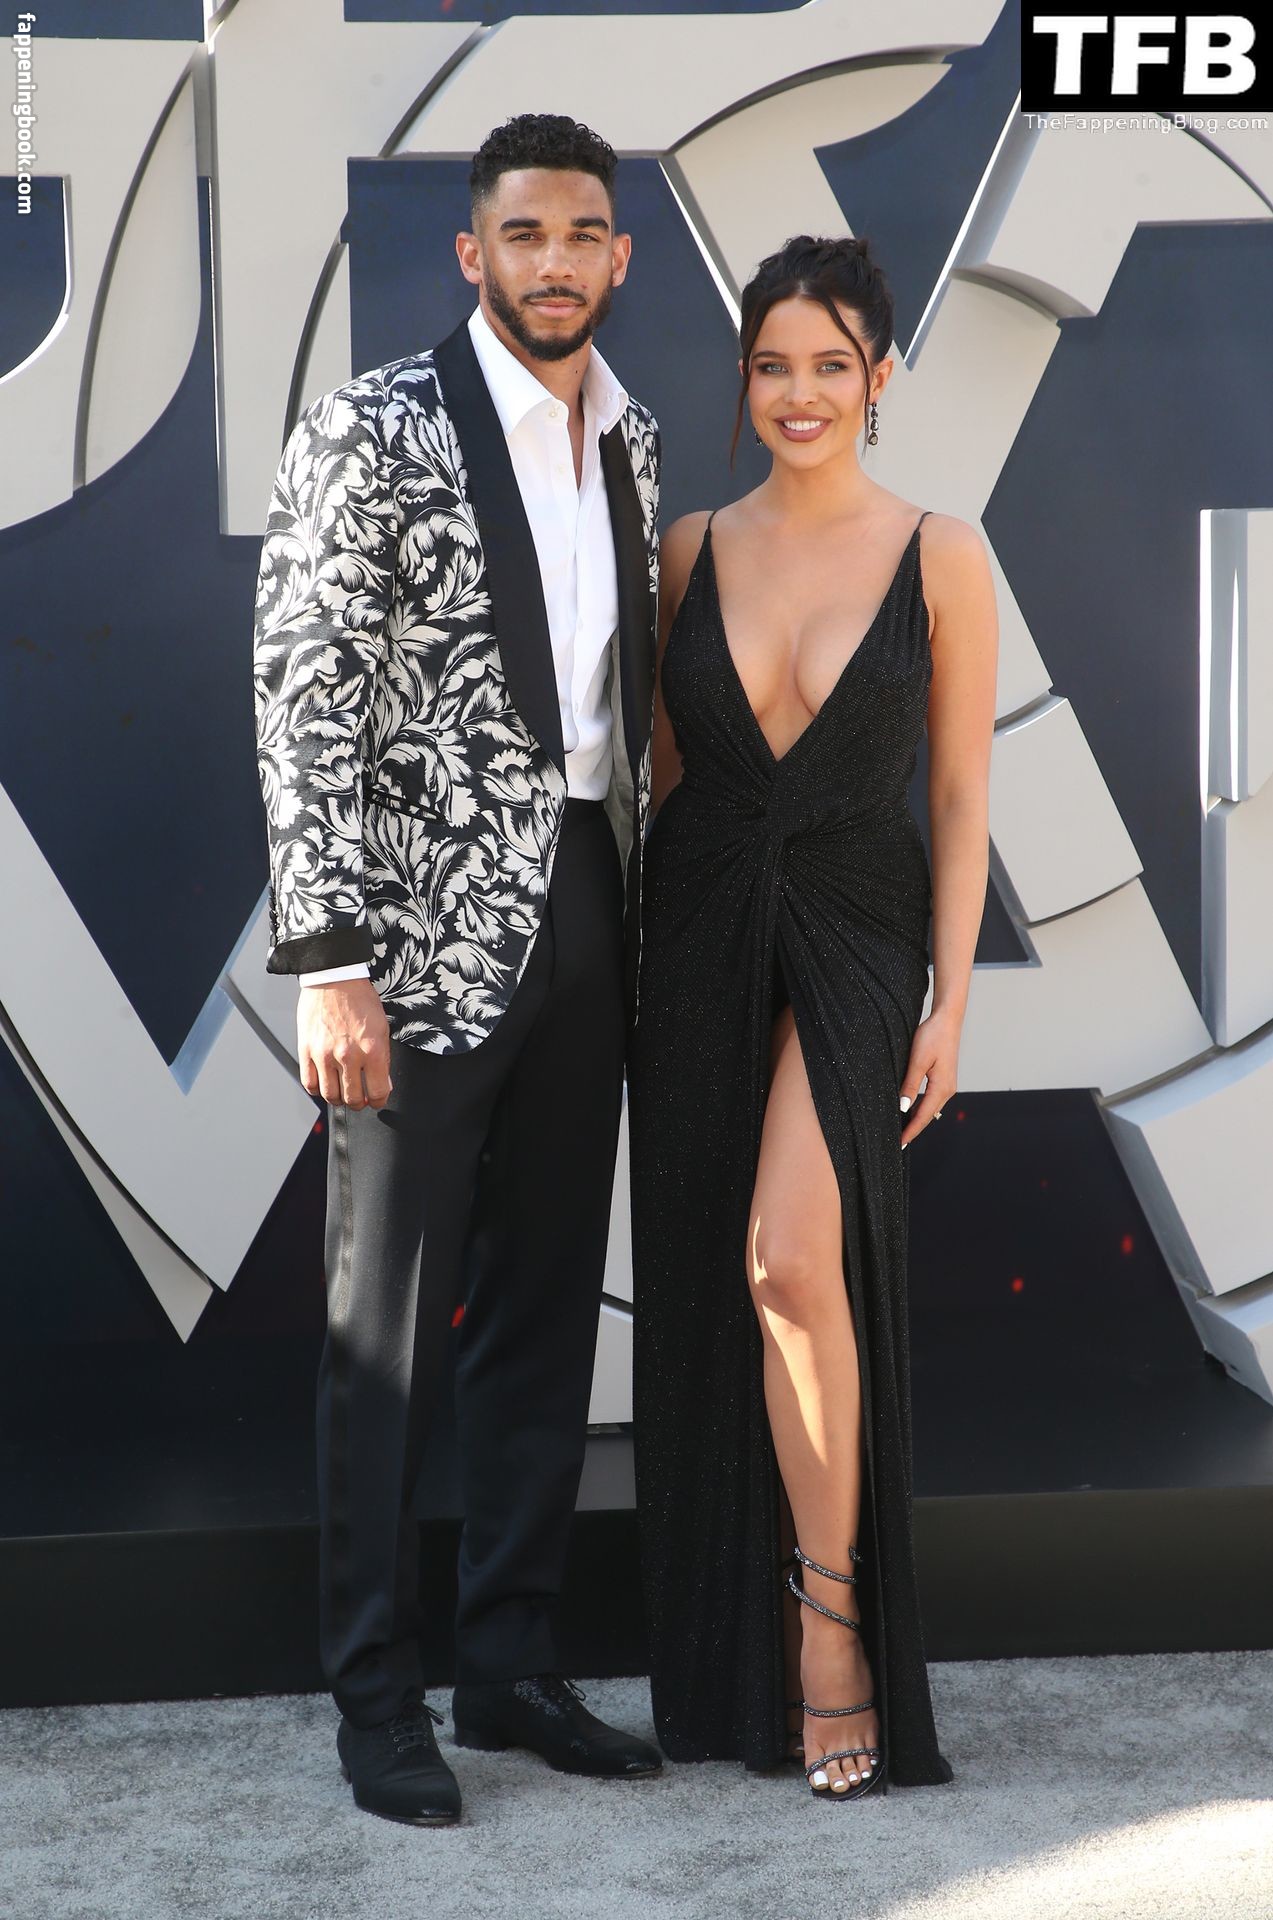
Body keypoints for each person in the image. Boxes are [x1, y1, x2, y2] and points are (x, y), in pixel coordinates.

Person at [252, 113, 663, 1827]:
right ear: (469, 252)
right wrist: (329, 959)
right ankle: (377, 1699)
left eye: (581, 235)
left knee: (545, 1307)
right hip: (409, 947)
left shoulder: (630, 433)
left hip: (590, 904)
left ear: (617, 257)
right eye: (523, 233)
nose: (553, 262)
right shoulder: (375, 424)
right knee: (385, 1341)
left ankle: (505, 1663)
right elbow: (304, 687)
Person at [628, 234, 998, 1800]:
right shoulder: (689, 546)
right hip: (699, 928)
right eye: (772, 365)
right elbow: (663, 776)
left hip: (856, 932)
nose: (798, 393)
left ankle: (829, 1630)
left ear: (879, 375)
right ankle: (728, 1660)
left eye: (829, 365)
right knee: (715, 1291)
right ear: (744, 375)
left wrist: (949, 999)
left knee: (790, 1259)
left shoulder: (940, 551)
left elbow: (960, 798)